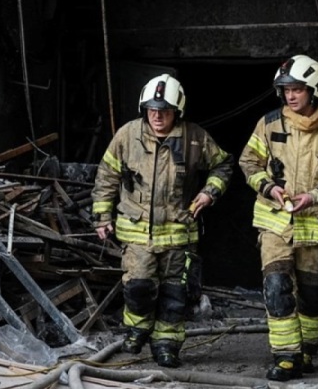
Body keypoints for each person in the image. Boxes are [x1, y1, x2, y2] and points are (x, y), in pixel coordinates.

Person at [91, 73, 233, 368]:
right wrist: (102, 216)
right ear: (145, 109)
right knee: (138, 288)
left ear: (176, 112)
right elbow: (107, 177)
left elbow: (223, 164)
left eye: (165, 111)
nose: (157, 116)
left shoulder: (194, 138)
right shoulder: (127, 136)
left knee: (174, 295)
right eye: (152, 110)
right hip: (138, 233)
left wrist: (209, 193)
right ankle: (138, 328)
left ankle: (166, 346)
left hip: (179, 235)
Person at [238, 55, 318, 381]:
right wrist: (268, 187)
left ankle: (306, 352)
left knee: (311, 294)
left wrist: (316, 195)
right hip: (276, 222)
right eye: (286, 90)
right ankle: (286, 357)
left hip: (317, 225)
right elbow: (248, 162)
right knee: (276, 287)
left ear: (313, 89)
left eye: (297, 90)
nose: (290, 96)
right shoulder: (269, 124)